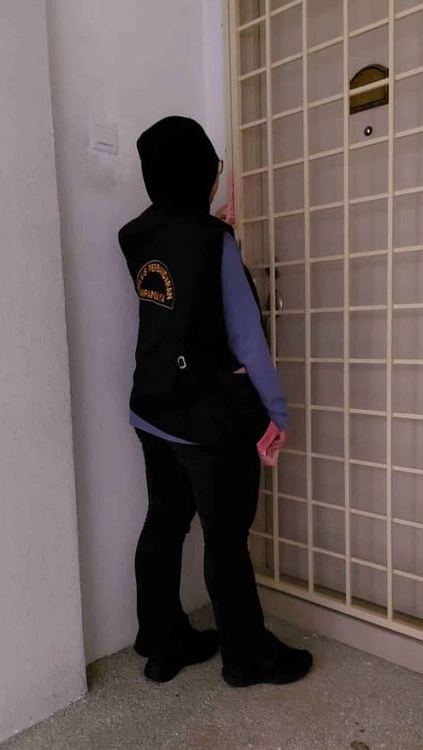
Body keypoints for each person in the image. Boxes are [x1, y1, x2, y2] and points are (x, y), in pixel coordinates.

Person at [118, 116, 313, 688]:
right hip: (207, 419)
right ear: (201, 174)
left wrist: (215, 239)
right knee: (226, 540)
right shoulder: (211, 242)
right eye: (214, 168)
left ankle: (162, 643)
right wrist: (277, 412)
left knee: (164, 522)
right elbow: (247, 338)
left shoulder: (136, 235)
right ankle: (247, 656)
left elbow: (178, 292)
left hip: (151, 407)